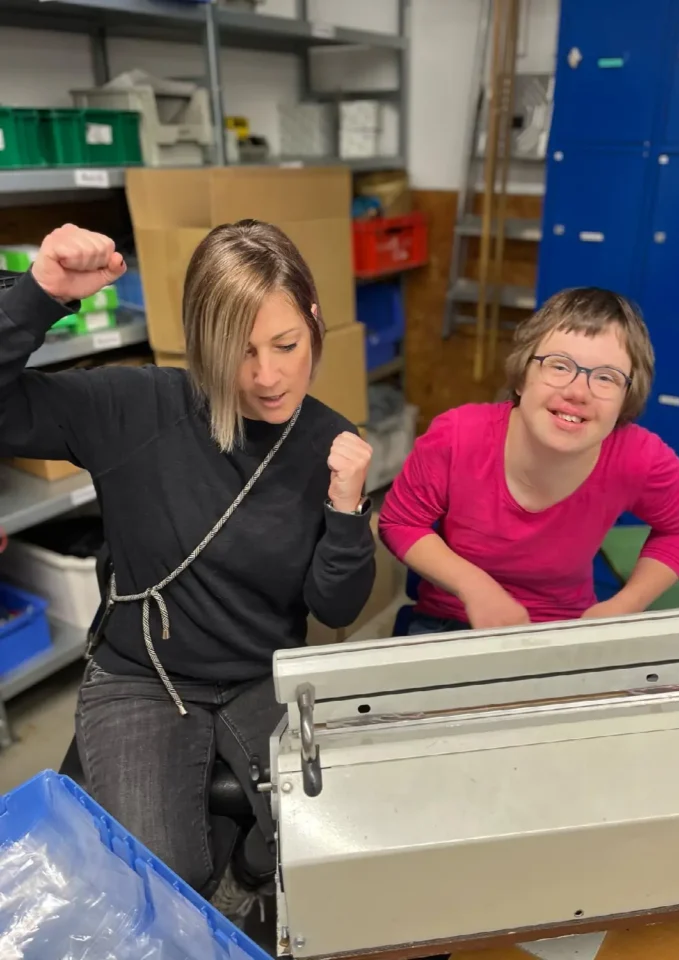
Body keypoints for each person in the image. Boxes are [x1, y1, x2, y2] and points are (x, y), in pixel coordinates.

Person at [0, 221, 376, 916]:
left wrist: (348, 513)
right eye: (239, 353)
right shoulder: (137, 407)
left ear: (316, 325)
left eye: (287, 345)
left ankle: (252, 860)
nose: (267, 376)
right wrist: (38, 295)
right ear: (203, 347)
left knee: (344, 845)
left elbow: (337, 607)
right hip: (144, 677)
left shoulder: (328, 439)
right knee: (159, 885)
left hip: (264, 674)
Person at [379, 287, 679, 633]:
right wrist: (475, 588)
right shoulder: (457, 436)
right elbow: (400, 522)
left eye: (606, 378)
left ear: (626, 400)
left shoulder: (640, 458)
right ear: (522, 376)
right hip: (451, 618)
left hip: (566, 628)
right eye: (559, 366)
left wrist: (627, 604)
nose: (578, 392)